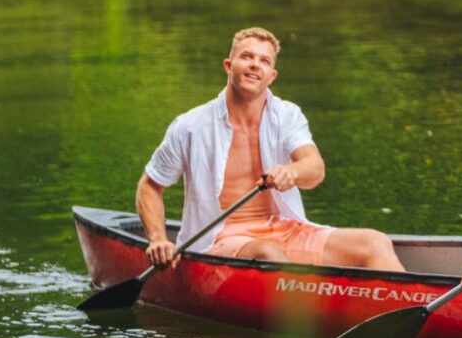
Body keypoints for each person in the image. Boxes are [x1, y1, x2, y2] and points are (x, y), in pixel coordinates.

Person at [136, 26, 406, 273]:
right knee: (268, 253)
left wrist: (292, 172)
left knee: (375, 242)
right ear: (228, 65)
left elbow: (314, 168)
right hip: (220, 238)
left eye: (264, 61)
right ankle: (309, 320)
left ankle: (410, 319)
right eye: (247, 56)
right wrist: (158, 240)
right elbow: (150, 186)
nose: (255, 65)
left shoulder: (287, 115)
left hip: (283, 229)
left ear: (272, 76)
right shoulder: (190, 126)